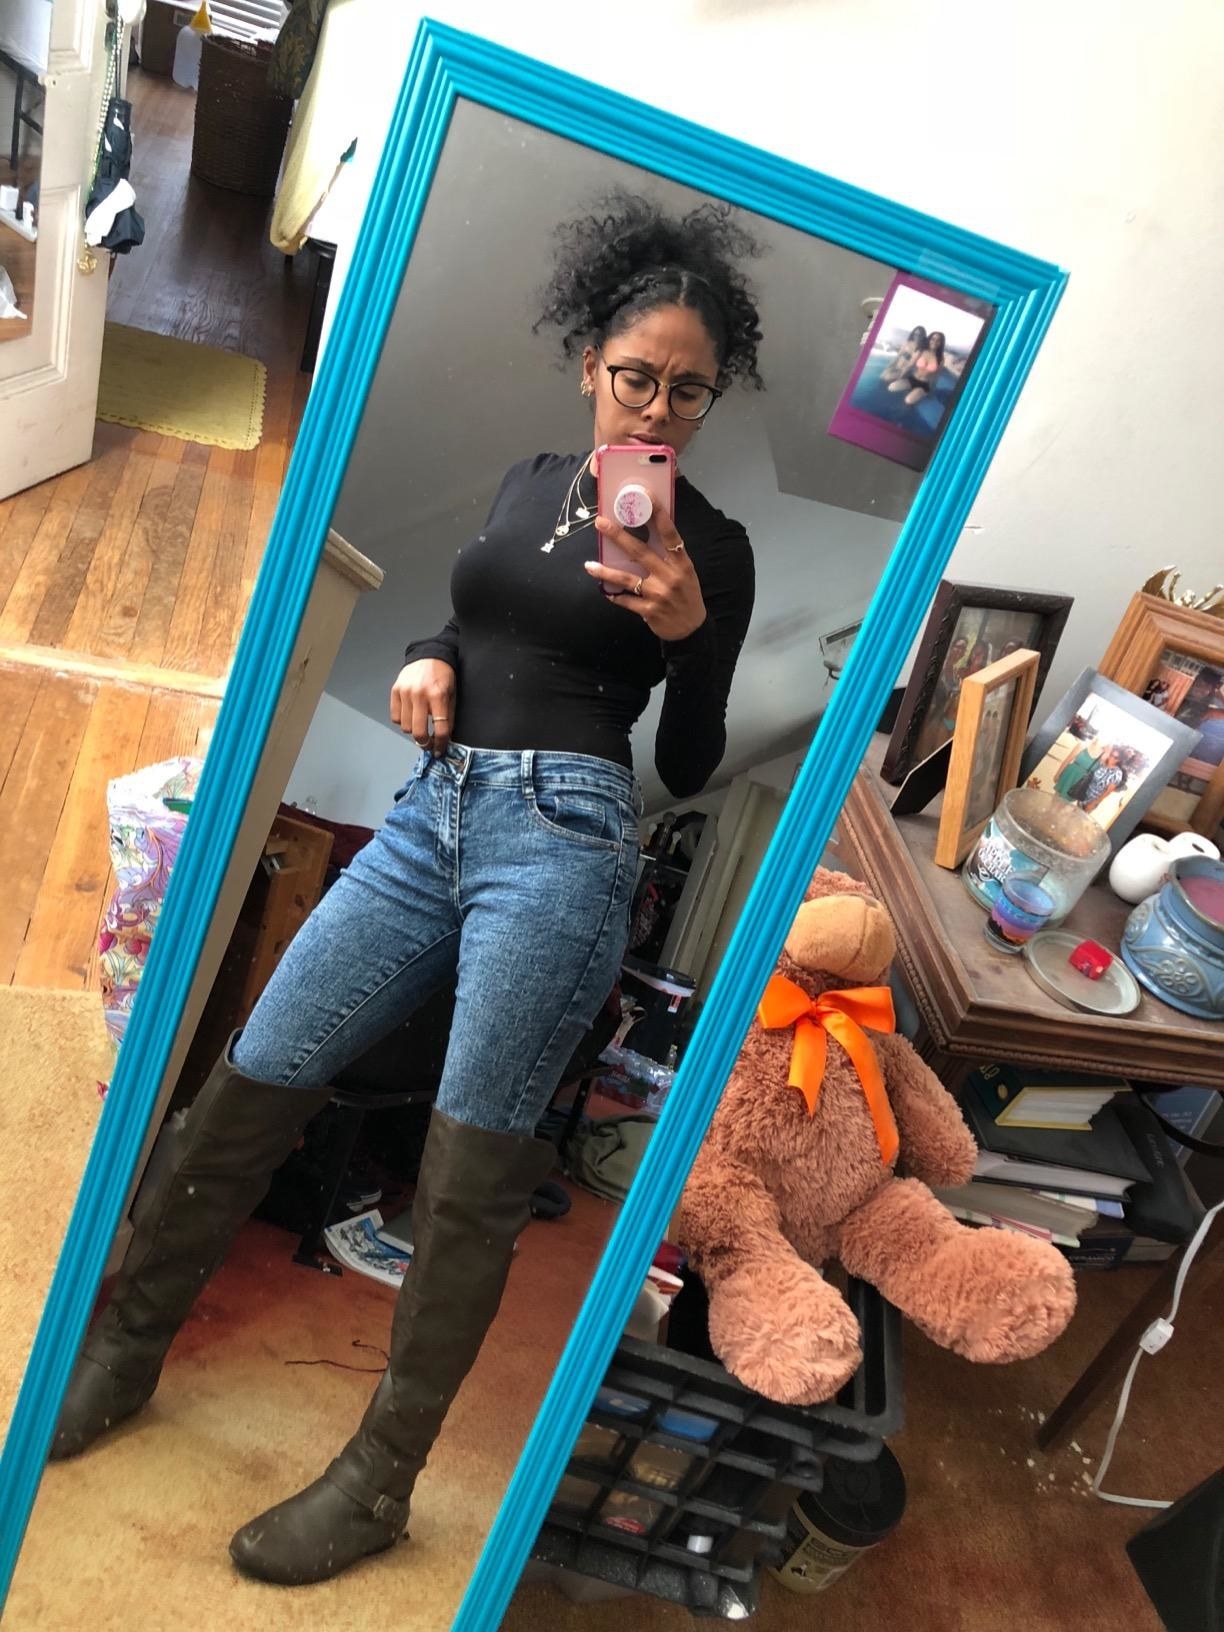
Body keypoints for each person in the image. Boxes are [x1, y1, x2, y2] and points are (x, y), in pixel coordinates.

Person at [50, 190, 763, 1587]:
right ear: (589, 363)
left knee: (470, 1174)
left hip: (567, 836)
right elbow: (471, 615)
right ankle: (125, 1352)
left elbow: (686, 761)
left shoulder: (715, 548)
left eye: (690, 390)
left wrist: (691, 640)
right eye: (638, 376)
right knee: (258, 1071)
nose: (660, 410)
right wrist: (429, 653)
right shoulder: (526, 478)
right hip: (431, 812)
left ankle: (380, 1482)